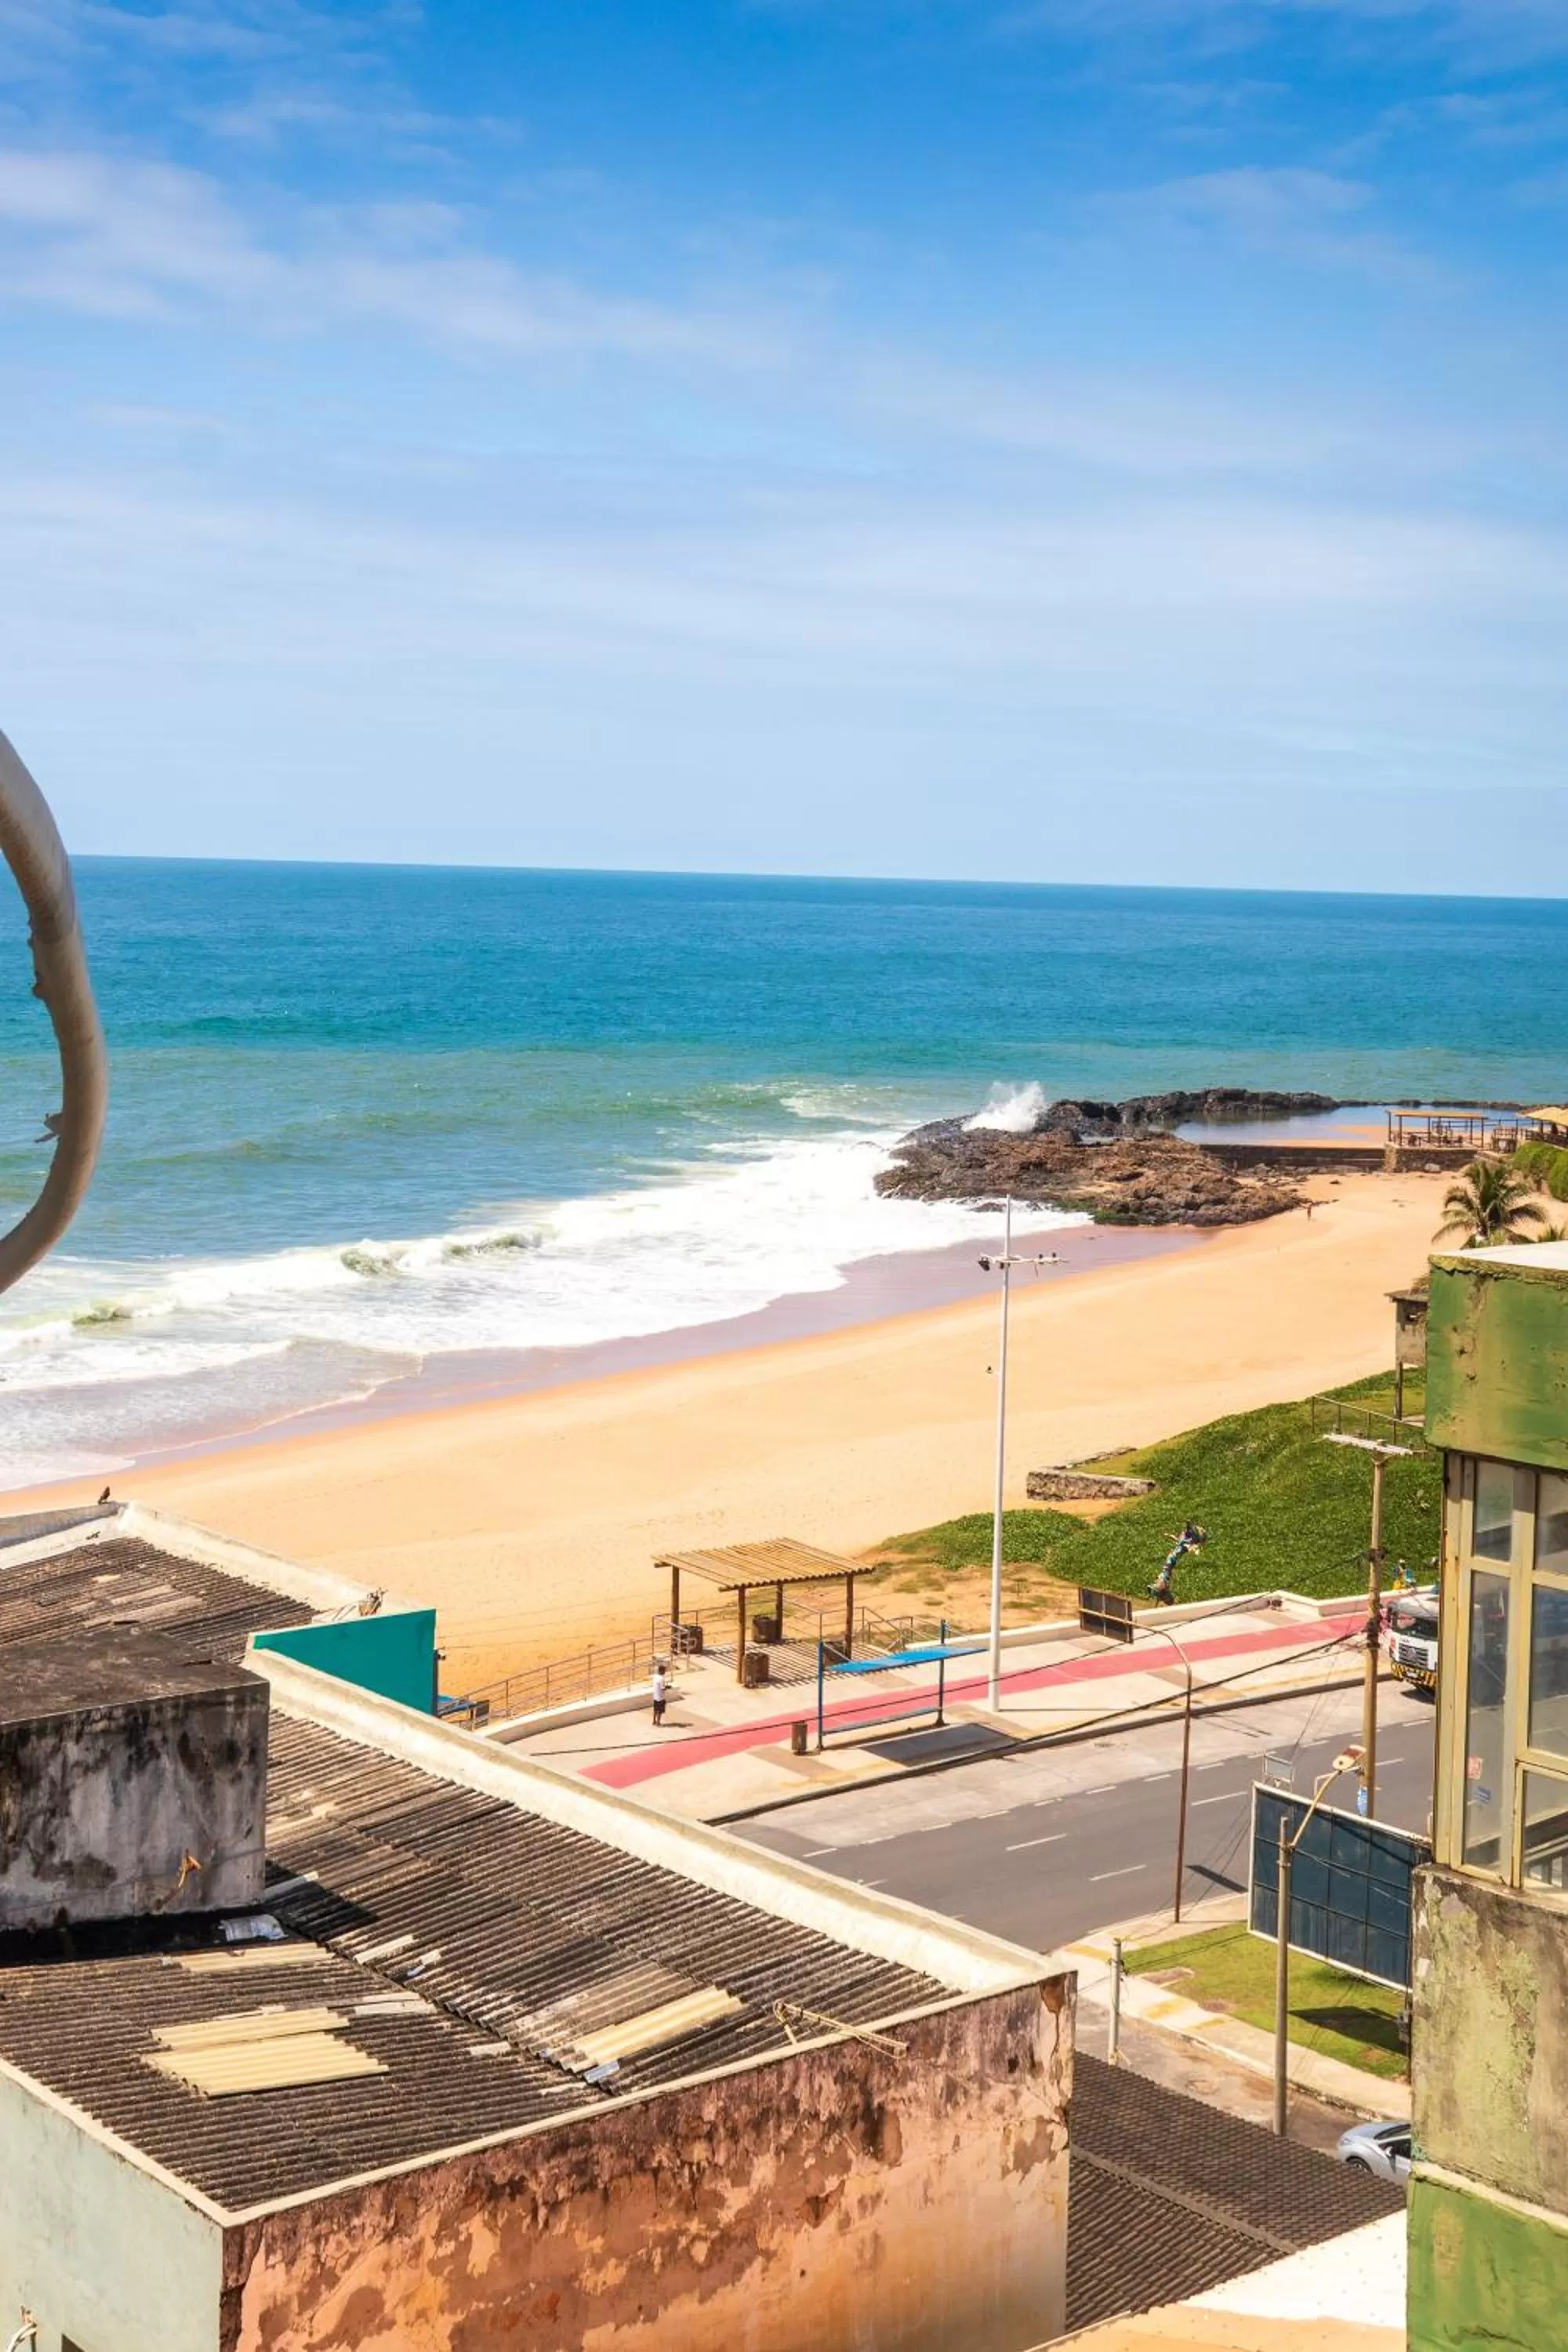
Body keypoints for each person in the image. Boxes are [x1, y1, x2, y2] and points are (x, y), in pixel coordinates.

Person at [651, 1662, 669, 1726]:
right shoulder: (662, 1679)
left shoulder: (655, 1676)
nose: (665, 1672)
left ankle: (654, 1721)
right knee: (660, 1711)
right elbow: (663, 1688)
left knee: (655, 1710)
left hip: (655, 1696)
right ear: (661, 1671)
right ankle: (658, 1722)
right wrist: (668, 1687)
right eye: (664, 1670)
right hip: (660, 1697)